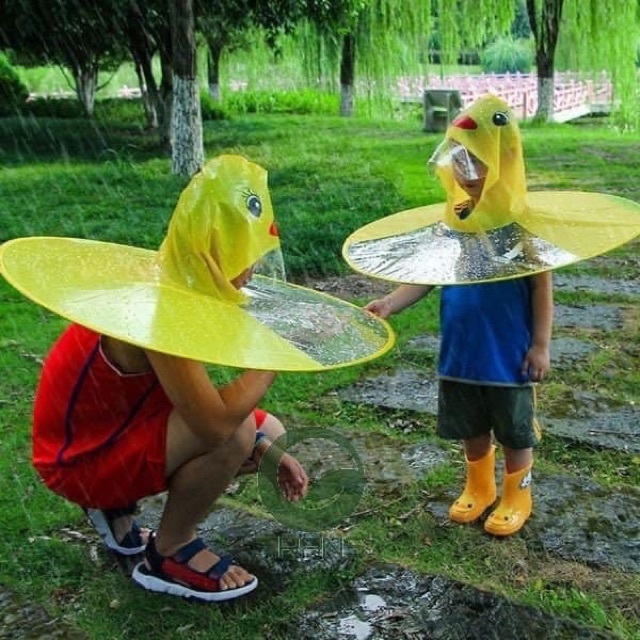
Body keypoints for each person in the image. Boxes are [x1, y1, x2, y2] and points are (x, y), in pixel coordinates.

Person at [29, 156, 310, 602]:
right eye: (244, 258)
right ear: (215, 253)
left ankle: (115, 506)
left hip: (112, 430)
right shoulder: (163, 309)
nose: (252, 272)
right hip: (78, 461)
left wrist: (263, 445)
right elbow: (213, 426)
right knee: (236, 432)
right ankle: (170, 551)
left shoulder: (180, 279)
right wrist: (281, 353)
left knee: (267, 432)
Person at [365, 109, 553, 537]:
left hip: (507, 352)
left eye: (477, 161)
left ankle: (518, 493)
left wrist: (540, 345)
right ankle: (479, 485)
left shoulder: (518, 223)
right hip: (462, 349)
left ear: (504, 160)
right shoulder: (458, 217)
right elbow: (431, 273)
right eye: (458, 159)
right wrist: (391, 302)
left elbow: (542, 287)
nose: (466, 172)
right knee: (470, 424)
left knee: (514, 428)